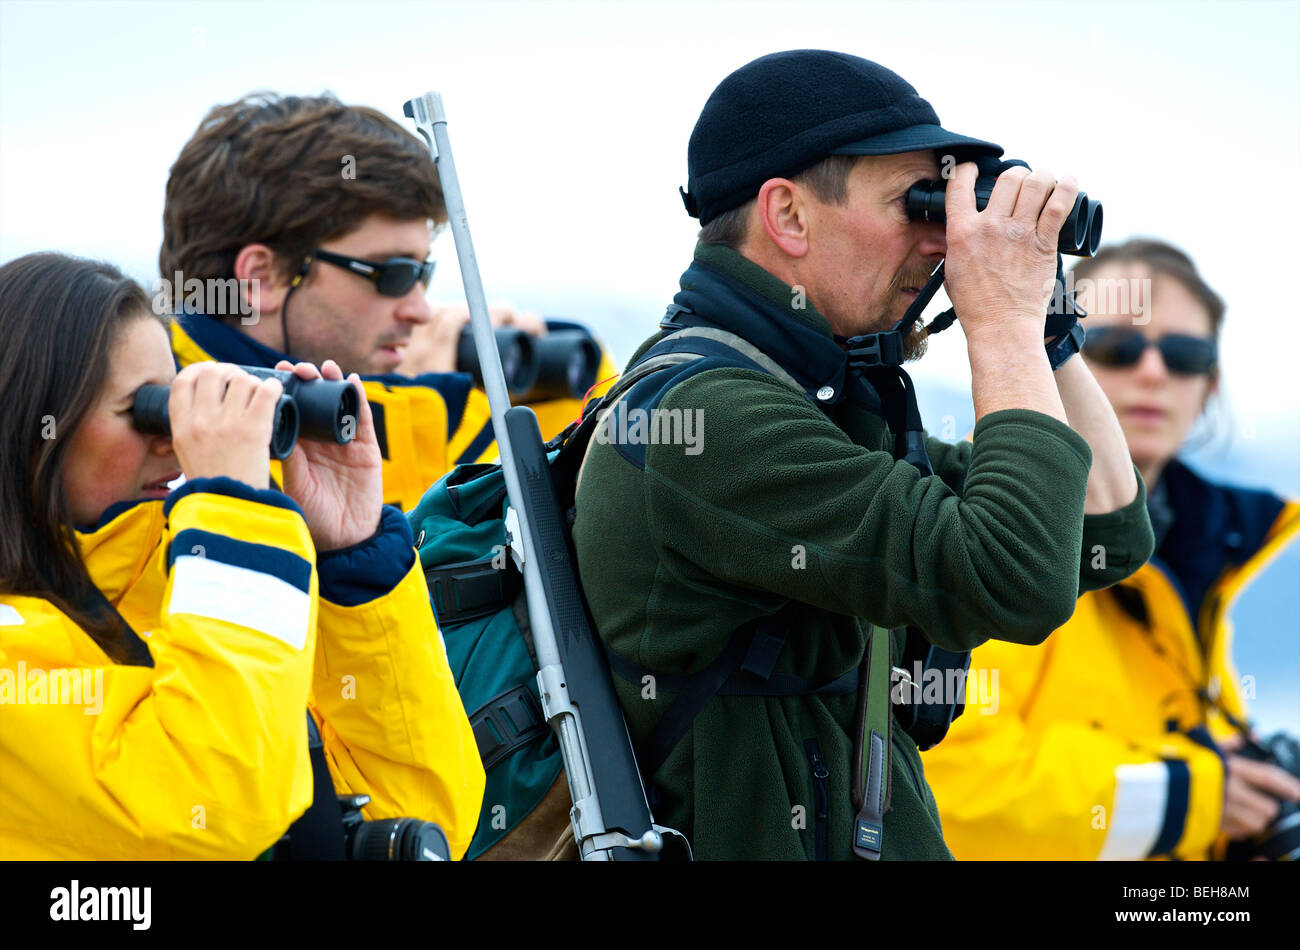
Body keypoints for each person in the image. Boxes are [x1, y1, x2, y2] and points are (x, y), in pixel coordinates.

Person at [571, 49, 1155, 861]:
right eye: (915, 205)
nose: (939, 244)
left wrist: (1048, 330)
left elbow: (1104, 530)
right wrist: (1002, 324)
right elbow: (1018, 579)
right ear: (790, 216)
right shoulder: (709, 416)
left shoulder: (830, 399)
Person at [0, 252, 485, 859]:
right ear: (27, 426)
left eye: (174, 401)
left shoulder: (195, 610)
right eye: (143, 409)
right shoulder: (214, 602)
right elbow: (210, 815)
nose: (173, 435)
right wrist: (234, 513)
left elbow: (424, 816)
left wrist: (351, 557)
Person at [922, 238, 1300, 859]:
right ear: (1054, 357)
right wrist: (1195, 798)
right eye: (1116, 347)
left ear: (1208, 386)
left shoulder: (1205, 556)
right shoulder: (976, 524)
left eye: (1183, 355)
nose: (1152, 373)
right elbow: (948, 782)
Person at [159, 92, 614, 511]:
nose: (420, 310)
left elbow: (614, 455)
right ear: (263, 278)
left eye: (422, 273)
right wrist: (408, 409)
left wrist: (528, 377)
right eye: (392, 275)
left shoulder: (415, 402)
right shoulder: (159, 451)